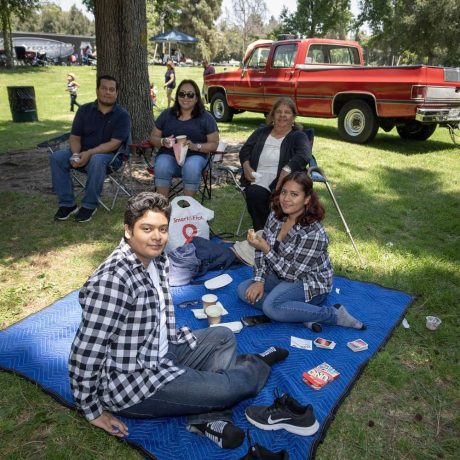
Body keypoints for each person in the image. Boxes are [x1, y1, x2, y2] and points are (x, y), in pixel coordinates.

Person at [68, 192, 288, 449]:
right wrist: (92, 410)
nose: (157, 237)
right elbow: (85, 351)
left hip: (160, 351)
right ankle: (257, 363)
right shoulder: (113, 282)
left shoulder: (156, 259)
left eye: (162, 229)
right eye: (146, 229)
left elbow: (159, 317)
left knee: (222, 336)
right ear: (128, 231)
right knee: (231, 387)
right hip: (135, 383)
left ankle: (206, 418)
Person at [237, 171, 366, 331]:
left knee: (271, 307)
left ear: (307, 199)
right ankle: (301, 313)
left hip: (308, 282)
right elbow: (260, 251)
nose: (286, 199)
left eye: (294, 194)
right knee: (244, 290)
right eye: (284, 192)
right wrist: (259, 280)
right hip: (279, 275)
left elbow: (292, 274)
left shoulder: (314, 233)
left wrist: (265, 248)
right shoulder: (276, 215)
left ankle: (333, 314)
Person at [50, 75, 131, 223]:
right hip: (81, 152)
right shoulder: (84, 110)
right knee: (57, 157)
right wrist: (75, 155)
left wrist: (88, 153)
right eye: (104, 88)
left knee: (97, 159)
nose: (107, 92)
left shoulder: (123, 115)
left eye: (111, 89)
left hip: (110, 158)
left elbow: (114, 144)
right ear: (97, 90)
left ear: (116, 93)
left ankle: (89, 205)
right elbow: (75, 137)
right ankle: (67, 204)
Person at [239, 97, 312, 231]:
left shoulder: (298, 136)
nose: (282, 115)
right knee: (255, 193)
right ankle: (262, 232)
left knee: (280, 197)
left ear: (293, 116)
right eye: (279, 112)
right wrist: (246, 166)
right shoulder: (261, 132)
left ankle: (271, 232)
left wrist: (286, 170)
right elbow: (245, 150)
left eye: (287, 112)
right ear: (273, 115)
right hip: (257, 177)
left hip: (283, 179)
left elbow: (304, 155)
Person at [150, 79, 219, 198]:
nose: (185, 98)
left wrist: (195, 146)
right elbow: (153, 137)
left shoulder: (206, 118)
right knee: (162, 164)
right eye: (182, 94)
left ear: (196, 98)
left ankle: (188, 208)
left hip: (196, 156)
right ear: (177, 97)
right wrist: (163, 141)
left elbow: (214, 144)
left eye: (190, 94)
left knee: (191, 166)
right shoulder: (167, 114)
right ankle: (162, 206)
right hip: (169, 155)